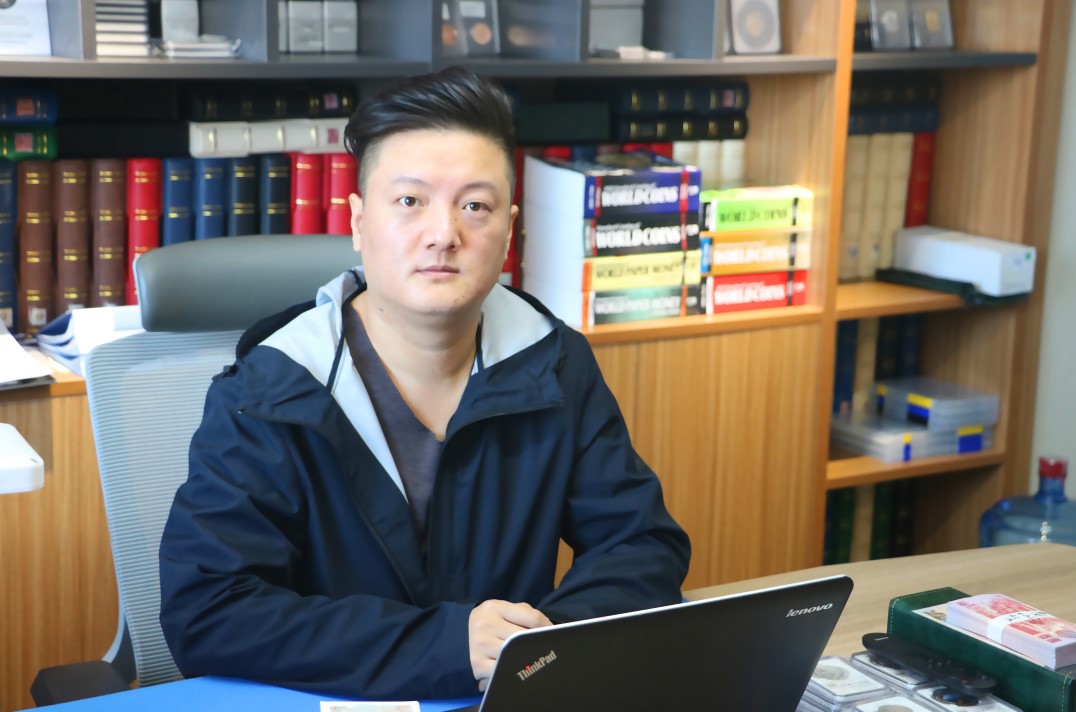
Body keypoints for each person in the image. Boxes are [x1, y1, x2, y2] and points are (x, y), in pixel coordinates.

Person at [158, 66, 690, 700]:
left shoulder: (552, 361)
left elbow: (642, 546)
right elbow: (209, 610)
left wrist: (537, 647)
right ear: (358, 222)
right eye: (410, 202)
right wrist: (447, 646)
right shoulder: (271, 390)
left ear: (510, 228)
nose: (444, 235)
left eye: (475, 206)